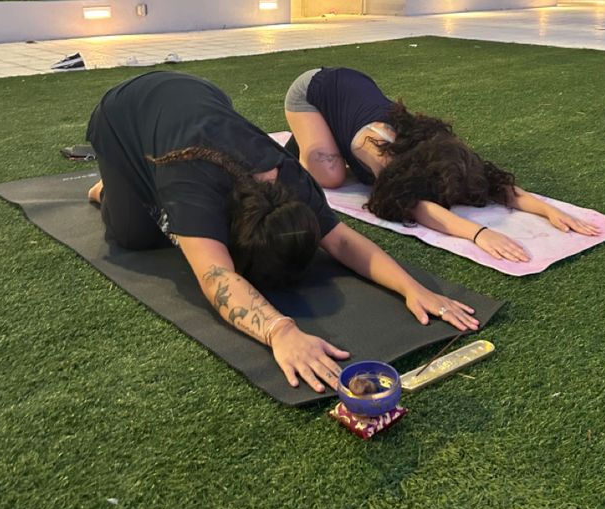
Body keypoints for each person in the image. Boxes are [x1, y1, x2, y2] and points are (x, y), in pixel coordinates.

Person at [86, 71, 479, 394]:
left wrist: (413, 288)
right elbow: (216, 276)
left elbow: (340, 240)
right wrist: (281, 331)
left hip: (202, 91)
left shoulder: (289, 176)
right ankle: (111, 187)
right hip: (121, 115)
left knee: (178, 222)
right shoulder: (190, 186)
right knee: (135, 237)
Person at [284, 67, 600, 264]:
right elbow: (412, 205)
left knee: (336, 166)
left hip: (355, 86)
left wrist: (548, 210)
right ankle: (310, 135)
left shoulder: (444, 148)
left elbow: (492, 181)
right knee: (330, 176)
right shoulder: (376, 148)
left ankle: (325, 135)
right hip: (313, 90)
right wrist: (479, 234)